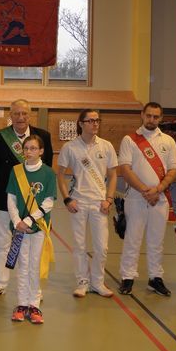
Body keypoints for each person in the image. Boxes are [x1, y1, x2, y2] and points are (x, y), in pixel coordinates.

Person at [0, 99, 53, 300]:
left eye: (24, 113)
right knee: (2, 243)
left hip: (35, 204)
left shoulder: (43, 136)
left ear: (30, 115)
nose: (20, 117)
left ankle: (33, 288)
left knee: (34, 249)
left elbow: (47, 166)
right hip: (7, 200)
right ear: (10, 115)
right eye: (16, 113)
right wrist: (8, 187)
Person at [117, 102, 176, 296]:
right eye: (149, 115)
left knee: (156, 241)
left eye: (156, 116)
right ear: (142, 115)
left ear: (161, 118)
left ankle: (155, 278)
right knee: (132, 239)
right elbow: (125, 169)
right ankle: (127, 277)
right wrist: (146, 190)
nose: (152, 119)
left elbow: (173, 169)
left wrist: (158, 189)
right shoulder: (130, 140)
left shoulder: (169, 141)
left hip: (160, 199)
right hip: (136, 198)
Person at [57, 109, 118, 298]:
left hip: (100, 204)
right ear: (81, 124)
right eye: (90, 120)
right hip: (79, 202)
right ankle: (82, 282)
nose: (95, 124)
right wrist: (67, 198)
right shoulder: (70, 147)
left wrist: (109, 199)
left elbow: (113, 175)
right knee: (79, 246)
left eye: (97, 120)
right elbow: (60, 174)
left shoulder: (106, 146)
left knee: (102, 247)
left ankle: (97, 282)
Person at [5, 134, 56, 324]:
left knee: (35, 265)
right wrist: (17, 221)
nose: (28, 152)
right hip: (19, 227)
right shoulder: (16, 171)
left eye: (33, 148)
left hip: (38, 227)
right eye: (26, 148)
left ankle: (34, 304)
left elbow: (48, 202)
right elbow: (11, 198)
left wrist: (28, 220)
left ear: (41, 151)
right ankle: (22, 304)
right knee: (23, 265)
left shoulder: (48, 173)